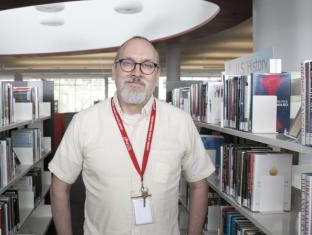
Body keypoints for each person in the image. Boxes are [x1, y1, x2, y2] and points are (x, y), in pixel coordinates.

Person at [49, 36, 214, 235]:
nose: (136, 72)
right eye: (127, 63)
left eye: (147, 65)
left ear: (157, 74)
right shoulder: (84, 122)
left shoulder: (181, 123)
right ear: (114, 70)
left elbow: (199, 185)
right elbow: (59, 187)